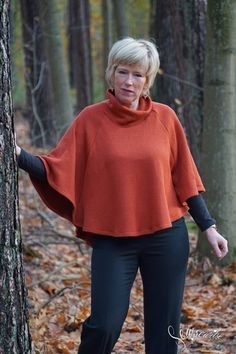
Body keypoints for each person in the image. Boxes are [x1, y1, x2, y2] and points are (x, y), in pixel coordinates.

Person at [16, 37, 228, 354]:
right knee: (104, 324)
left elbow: (185, 177)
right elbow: (57, 167)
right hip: (113, 239)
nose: (129, 81)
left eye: (138, 74)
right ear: (112, 73)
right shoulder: (90, 119)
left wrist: (208, 227)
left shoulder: (165, 118)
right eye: (123, 72)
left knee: (164, 332)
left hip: (166, 236)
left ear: (148, 79)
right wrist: (15, 153)